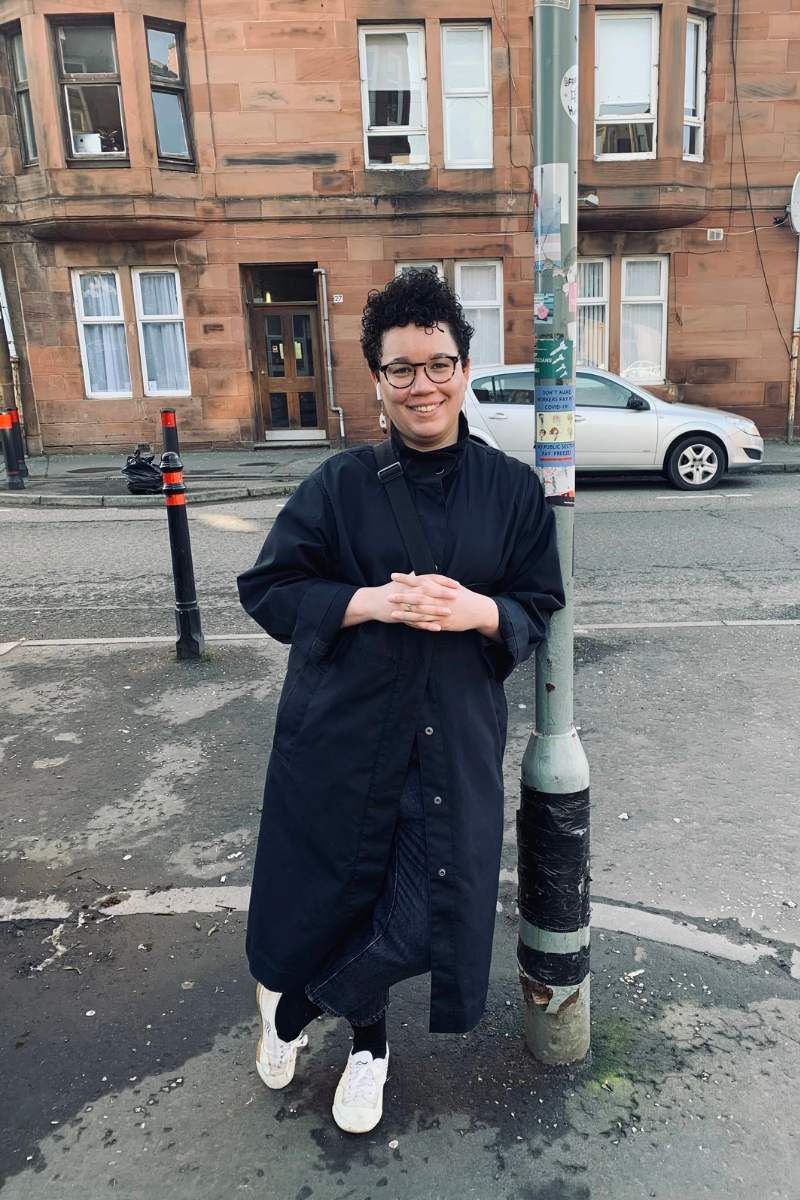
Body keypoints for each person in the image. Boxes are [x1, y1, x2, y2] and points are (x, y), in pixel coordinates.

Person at [237, 269, 564, 1134]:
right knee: (348, 895)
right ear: (377, 380)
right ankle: (370, 1049)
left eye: (439, 363)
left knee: (427, 915)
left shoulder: (513, 490)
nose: (423, 384)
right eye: (402, 369)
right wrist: (367, 599)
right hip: (344, 734)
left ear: (464, 368)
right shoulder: (340, 486)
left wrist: (480, 611)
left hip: (451, 738)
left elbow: (537, 602)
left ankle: (298, 1005)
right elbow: (268, 588)